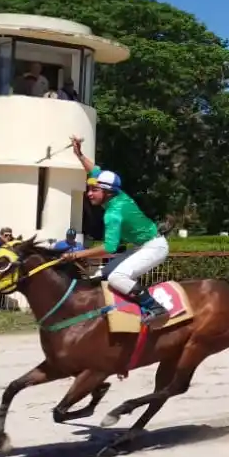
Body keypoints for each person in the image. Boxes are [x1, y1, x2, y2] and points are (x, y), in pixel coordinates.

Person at [59, 136, 171, 325]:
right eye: (89, 189)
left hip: (154, 248)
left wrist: (76, 255)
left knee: (117, 278)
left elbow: (110, 248)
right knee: (100, 275)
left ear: (107, 192)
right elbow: (95, 170)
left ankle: (155, 308)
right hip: (142, 246)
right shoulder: (115, 193)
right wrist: (79, 154)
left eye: (94, 190)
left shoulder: (113, 214)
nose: (89, 194)